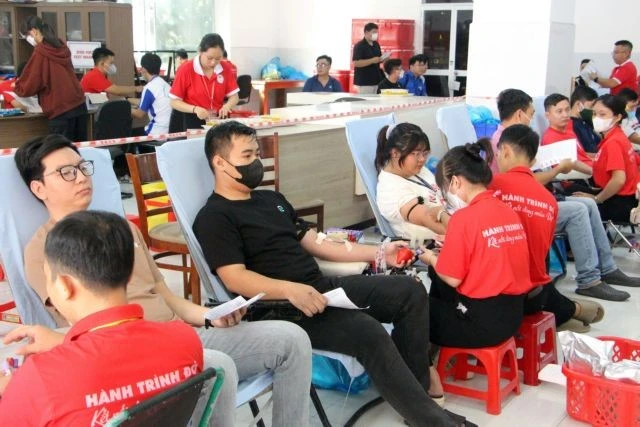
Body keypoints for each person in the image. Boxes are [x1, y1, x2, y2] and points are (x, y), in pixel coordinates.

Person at [15, 134, 313, 427]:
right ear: (39, 188)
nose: (80, 177)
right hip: (129, 355)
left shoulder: (121, 231)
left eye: (82, 167)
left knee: (292, 340)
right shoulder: (44, 251)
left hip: (180, 335)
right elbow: (76, 324)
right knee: (213, 365)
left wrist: (210, 316)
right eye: (66, 172)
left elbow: (163, 294)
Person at [193, 121, 472, 427]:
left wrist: (380, 252)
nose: (256, 163)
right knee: (366, 331)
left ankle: (416, 399)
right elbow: (234, 278)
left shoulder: (270, 200)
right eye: (247, 156)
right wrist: (290, 290)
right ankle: (434, 421)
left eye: (257, 153)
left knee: (409, 291)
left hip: (319, 288)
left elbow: (317, 243)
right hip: (279, 309)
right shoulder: (214, 217)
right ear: (220, 162)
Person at [0, 210, 204, 425]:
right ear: (129, 274)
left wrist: (17, 389)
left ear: (64, 286)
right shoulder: (185, 339)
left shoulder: (41, 377)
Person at [494, 89, 637, 301]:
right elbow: (521, 181)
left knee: (587, 205)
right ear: (518, 115)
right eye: (531, 115)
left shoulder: (520, 139)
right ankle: (589, 279)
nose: (533, 120)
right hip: (521, 206)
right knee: (579, 209)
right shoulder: (505, 144)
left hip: (536, 196)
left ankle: (606, 268)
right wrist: (556, 171)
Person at [418, 139, 532, 348]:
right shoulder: (506, 210)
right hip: (514, 315)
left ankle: (427, 369)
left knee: (414, 308)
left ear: (455, 182)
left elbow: (452, 278)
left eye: (445, 188)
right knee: (438, 277)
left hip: (480, 325)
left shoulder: (464, 218)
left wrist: (431, 258)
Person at [491, 125, 604, 332]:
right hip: (538, 290)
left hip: (505, 294)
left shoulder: (492, 186)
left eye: (498, 154)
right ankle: (570, 311)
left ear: (505, 151)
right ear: (534, 162)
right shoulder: (548, 200)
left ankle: (568, 312)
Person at [14, 16, 88, 141]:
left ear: (34, 31)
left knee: (61, 153)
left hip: (60, 110)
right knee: (78, 151)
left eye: (26, 36)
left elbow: (29, 84)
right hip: (79, 105)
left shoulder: (40, 52)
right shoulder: (61, 47)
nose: (28, 39)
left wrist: (17, 87)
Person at [573, 94, 640, 223]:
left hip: (618, 204)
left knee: (574, 207)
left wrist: (597, 198)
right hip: (628, 198)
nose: (596, 118)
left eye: (602, 115)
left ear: (617, 117)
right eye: (594, 114)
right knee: (576, 192)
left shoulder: (613, 143)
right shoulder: (618, 137)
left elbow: (619, 180)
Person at [375, 122, 448, 240]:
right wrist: (465, 230)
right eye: (416, 154)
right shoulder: (390, 189)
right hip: (432, 243)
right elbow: (426, 218)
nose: (422, 159)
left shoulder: (417, 170)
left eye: (425, 153)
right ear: (395, 153)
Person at [170, 33, 239, 129]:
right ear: (200, 51)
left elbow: (234, 96)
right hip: (192, 119)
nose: (213, 62)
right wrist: (195, 109)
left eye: (218, 58)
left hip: (217, 119)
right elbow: (174, 102)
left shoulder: (225, 68)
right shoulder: (186, 69)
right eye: (209, 58)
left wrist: (227, 106)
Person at [541, 93, 593, 174]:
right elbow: (565, 167)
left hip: (592, 167)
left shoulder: (568, 128)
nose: (565, 115)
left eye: (567, 110)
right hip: (583, 178)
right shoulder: (551, 138)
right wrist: (594, 171)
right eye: (559, 111)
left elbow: (581, 154)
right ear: (547, 116)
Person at [131, 53, 171, 136]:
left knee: (130, 133)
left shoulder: (149, 88)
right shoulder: (166, 85)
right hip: (170, 131)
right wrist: (127, 99)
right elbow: (150, 102)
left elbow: (139, 114)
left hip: (156, 133)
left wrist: (124, 108)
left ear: (144, 69)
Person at [352, 22, 385, 94]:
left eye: (377, 32)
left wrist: (384, 58)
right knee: (366, 102)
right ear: (366, 32)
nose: (376, 34)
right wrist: (372, 60)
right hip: (365, 81)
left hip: (377, 80)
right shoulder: (359, 46)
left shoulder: (376, 44)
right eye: (374, 32)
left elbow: (378, 58)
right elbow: (356, 63)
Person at [569, 85, 601, 153]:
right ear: (578, 104)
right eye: (591, 106)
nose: (593, 110)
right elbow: (581, 153)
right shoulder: (572, 126)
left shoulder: (586, 122)